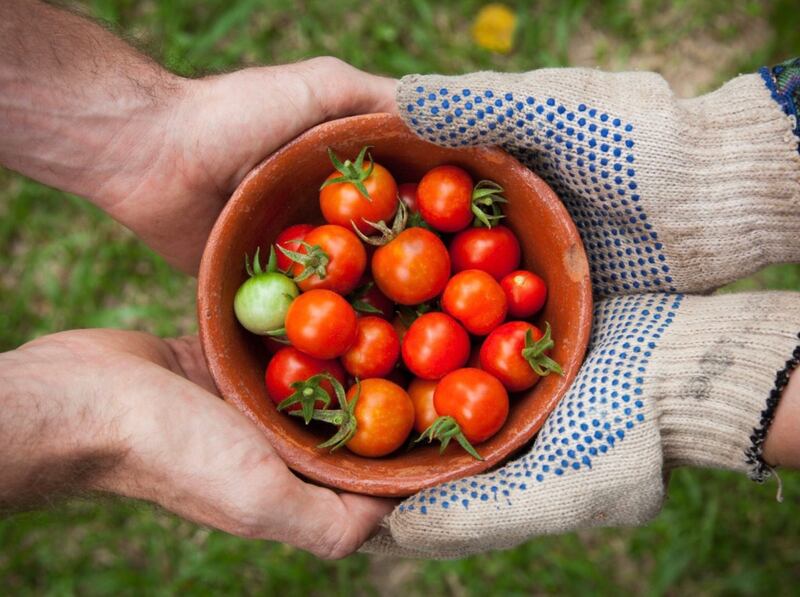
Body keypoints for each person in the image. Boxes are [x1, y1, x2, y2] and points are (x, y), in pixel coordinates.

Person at [2, 0, 799, 560]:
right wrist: (95, 417)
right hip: (436, 344)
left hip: (446, 327)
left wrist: (144, 134)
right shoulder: (358, 336)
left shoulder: (364, 294)